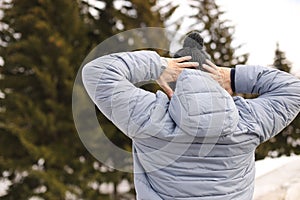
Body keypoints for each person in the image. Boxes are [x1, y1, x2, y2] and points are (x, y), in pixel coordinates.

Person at [82, 32, 300, 200]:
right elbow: (293, 89)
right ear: (218, 85)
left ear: (170, 87)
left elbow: (97, 72)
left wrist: (159, 66)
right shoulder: (246, 122)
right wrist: (233, 77)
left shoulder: (149, 118)